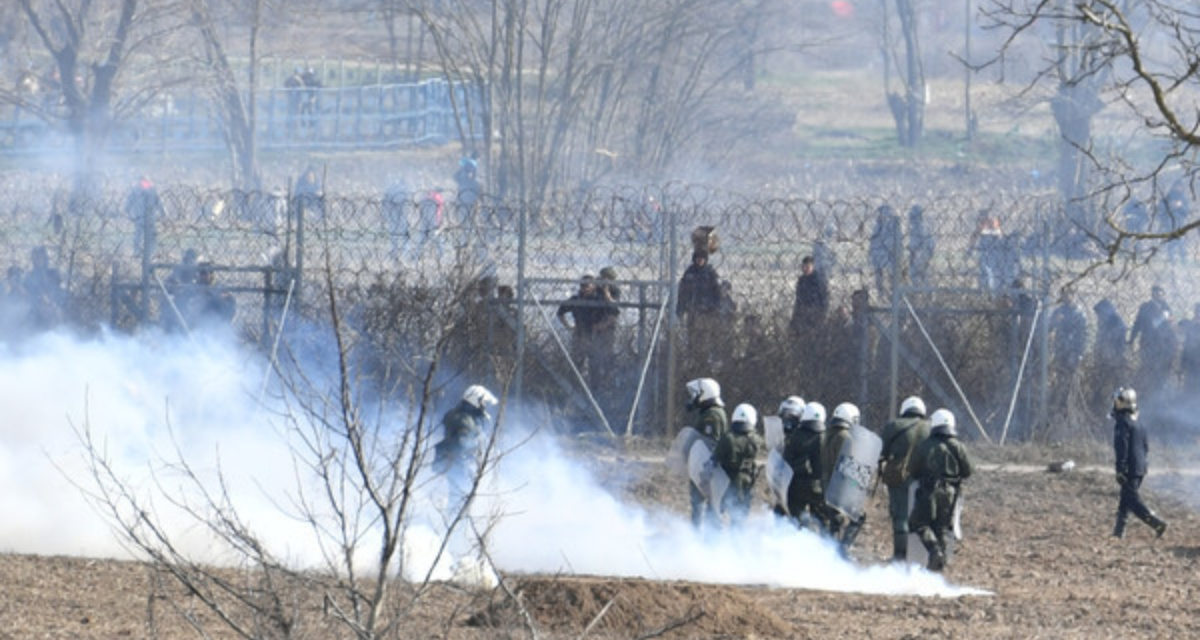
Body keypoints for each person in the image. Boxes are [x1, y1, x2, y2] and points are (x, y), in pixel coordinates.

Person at [908, 408, 973, 572]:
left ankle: (934, 550)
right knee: (942, 527)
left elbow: (912, 470)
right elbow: (968, 471)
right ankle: (940, 562)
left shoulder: (925, 446)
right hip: (950, 493)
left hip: (929, 491)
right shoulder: (958, 446)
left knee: (919, 523)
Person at [1110, 387, 1168, 539]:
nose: (1114, 405)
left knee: (1133, 501)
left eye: (1116, 402)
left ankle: (1157, 524)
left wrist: (1120, 469)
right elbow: (1146, 447)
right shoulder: (1138, 423)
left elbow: (1122, 447)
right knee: (1125, 498)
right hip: (1139, 467)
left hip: (1130, 468)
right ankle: (1118, 532)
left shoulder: (1123, 423)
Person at [878, 395, 931, 562]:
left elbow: (882, 451)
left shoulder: (893, 425)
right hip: (925, 477)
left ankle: (900, 556)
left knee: (901, 516)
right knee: (923, 516)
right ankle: (922, 555)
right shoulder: (931, 427)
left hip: (899, 476)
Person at [434, 384, 498, 511]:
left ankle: (455, 524)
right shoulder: (463, 419)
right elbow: (462, 443)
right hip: (461, 465)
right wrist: (480, 441)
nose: (484, 406)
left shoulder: (462, 415)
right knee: (460, 500)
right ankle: (456, 527)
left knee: (460, 499)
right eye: (483, 402)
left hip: (460, 464)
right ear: (475, 400)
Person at [556, 274, 619, 390]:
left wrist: (602, 326)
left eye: (588, 286)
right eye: (583, 286)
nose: (585, 288)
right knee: (576, 367)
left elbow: (614, 313)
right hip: (580, 336)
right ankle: (574, 393)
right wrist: (569, 327)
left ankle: (595, 394)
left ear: (594, 286)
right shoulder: (576, 300)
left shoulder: (599, 300)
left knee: (595, 369)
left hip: (596, 338)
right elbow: (560, 312)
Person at [683, 378, 728, 531]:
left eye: (696, 394)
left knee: (709, 511)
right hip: (702, 470)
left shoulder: (712, 416)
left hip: (706, 471)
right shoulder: (708, 413)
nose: (693, 397)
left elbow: (712, 445)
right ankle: (699, 542)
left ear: (705, 394)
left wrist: (706, 471)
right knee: (700, 509)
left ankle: (709, 546)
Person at [823, 402, 865, 552]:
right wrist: (856, 488)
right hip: (840, 487)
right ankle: (842, 549)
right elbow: (850, 467)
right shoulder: (846, 438)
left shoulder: (827, 434)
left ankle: (829, 549)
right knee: (858, 516)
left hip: (825, 484)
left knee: (832, 521)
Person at [714, 403, 763, 529]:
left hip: (726, 480)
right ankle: (737, 542)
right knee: (740, 515)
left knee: (719, 512)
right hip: (747, 479)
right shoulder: (756, 439)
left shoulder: (727, 438)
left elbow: (716, 458)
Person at [783, 401, 830, 532]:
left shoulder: (795, 436)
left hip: (796, 484)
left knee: (796, 520)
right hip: (818, 486)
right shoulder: (825, 438)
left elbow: (786, 459)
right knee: (822, 520)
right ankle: (825, 547)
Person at [1129, 285, 1176, 394]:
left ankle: (1158, 394)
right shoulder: (1145, 307)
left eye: (1159, 294)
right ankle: (1146, 393)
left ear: (1163, 295)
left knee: (1160, 373)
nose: (1157, 296)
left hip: (1162, 347)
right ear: (1152, 294)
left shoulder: (1166, 308)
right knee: (1147, 369)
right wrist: (1132, 338)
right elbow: (1138, 324)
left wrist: (1170, 347)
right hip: (1147, 343)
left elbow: (1171, 328)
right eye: (1155, 293)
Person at [676, 249, 723, 353]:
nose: (700, 261)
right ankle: (693, 358)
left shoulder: (710, 273)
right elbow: (682, 293)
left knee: (705, 338)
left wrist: (715, 307)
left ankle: (703, 361)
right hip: (693, 311)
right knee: (692, 338)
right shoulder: (689, 273)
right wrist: (680, 309)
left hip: (707, 312)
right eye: (698, 258)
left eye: (702, 259)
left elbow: (717, 293)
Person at [1048, 288, 1088, 408]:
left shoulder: (1079, 313)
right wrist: (1055, 321)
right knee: (1060, 377)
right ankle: (1059, 404)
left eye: (1068, 295)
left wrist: (1079, 353)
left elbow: (1083, 336)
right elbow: (1049, 328)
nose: (1066, 297)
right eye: (1064, 295)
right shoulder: (1058, 312)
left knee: (1071, 380)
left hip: (1073, 352)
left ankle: (1070, 406)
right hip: (1060, 350)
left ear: (1073, 295)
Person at [177, 261, 236, 329]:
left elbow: (230, 302)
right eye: (203, 273)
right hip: (196, 320)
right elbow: (183, 300)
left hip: (215, 320)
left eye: (209, 272)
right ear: (199, 274)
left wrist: (217, 297)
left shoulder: (218, 287)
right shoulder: (194, 287)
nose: (206, 275)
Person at [23, 246, 64, 328]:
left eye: (40, 256)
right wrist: (40, 298)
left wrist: (55, 304)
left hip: (54, 305)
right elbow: (28, 294)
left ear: (45, 258)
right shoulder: (30, 276)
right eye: (36, 257)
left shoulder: (53, 273)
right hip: (37, 307)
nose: (38, 259)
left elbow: (58, 290)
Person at [124, 175, 163, 260]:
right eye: (142, 182)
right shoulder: (135, 191)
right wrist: (128, 213)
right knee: (138, 236)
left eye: (145, 182)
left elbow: (159, 202)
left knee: (152, 236)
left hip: (150, 218)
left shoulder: (152, 190)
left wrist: (163, 214)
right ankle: (137, 252)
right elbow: (128, 203)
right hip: (140, 217)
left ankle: (151, 253)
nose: (143, 184)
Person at [789, 255, 828, 335]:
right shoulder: (802, 280)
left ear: (812, 266)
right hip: (802, 314)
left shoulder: (818, 280)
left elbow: (824, 298)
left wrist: (822, 316)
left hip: (815, 314)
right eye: (803, 266)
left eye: (807, 266)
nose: (804, 269)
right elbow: (798, 300)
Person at [868, 204, 901, 299]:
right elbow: (873, 242)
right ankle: (881, 296)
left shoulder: (892, 227)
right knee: (879, 280)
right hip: (878, 257)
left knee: (892, 279)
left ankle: (893, 297)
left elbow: (893, 243)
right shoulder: (877, 226)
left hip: (889, 258)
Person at [907, 205, 935, 286]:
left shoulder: (920, 227)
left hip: (920, 255)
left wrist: (920, 253)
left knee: (917, 276)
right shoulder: (917, 227)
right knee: (922, 276)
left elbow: (925, 243)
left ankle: (922, 294)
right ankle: (925, 294)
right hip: (919, 255)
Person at [1178, 303, 1200, 395]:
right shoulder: (1190, 324)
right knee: (1190, 384)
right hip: (1190, 359)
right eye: (1197, 311)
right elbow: (1180, 324)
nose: (1198, 314)